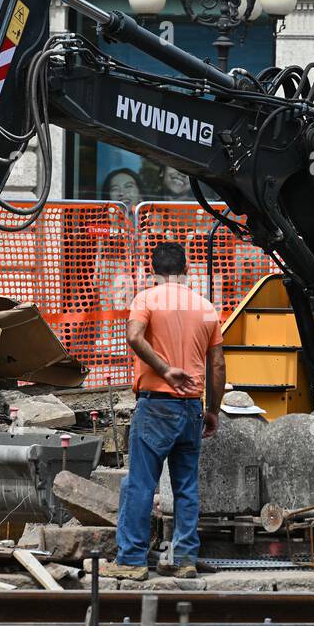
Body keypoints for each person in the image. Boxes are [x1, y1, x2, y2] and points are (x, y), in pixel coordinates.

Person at [107, 241, 226, 581]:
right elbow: (217, 364)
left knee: (141, 485)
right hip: (192, 408)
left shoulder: (146, 298)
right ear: (186, 271)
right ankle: (185, 558)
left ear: (153, 272)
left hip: (156, 404)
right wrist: (212, 409)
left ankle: (131, 559)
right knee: (186, 486)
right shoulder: (205, 307)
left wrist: (164, 369)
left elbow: (133, 336)